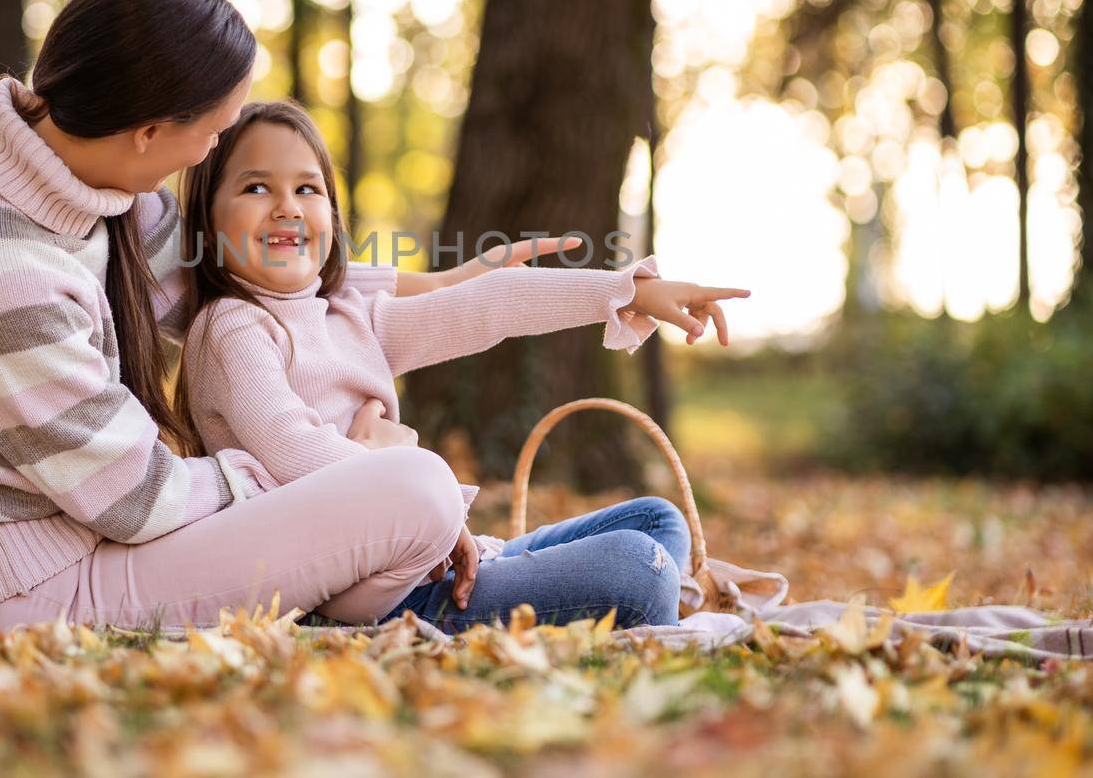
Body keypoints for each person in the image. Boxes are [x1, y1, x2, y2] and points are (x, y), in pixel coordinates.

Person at [0, 0, 535, 630]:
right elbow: (136, 497)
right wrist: (333, 466)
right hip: (26, 584)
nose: (211, 151)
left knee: (417, 490)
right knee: (417, 490)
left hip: (86, 527)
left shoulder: (52, 154)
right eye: (213, 133)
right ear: (149, 131)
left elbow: (229, 275)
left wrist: (436, 288)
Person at [175, 99, 752, 630]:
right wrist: (424, 496)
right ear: (207, 216)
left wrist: (627, 291)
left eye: (308, 189)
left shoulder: (347, 315)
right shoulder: (233, 325)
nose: (286, 208)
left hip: (425, 553)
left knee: (658, 522)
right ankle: (600, 605)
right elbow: (293, 451)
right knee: (640, 566)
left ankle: (589, 596)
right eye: (256, 188)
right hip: (365, 594)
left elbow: (487, 306)